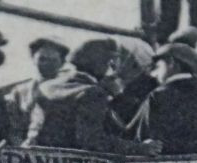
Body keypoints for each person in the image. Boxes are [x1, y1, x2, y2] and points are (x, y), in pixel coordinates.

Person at [25, 38, 163, 156]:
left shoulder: (47, 86)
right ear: (102, 63)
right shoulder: (92, 93)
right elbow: (92, 141)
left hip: (36, 158)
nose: (113, 67)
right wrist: (140, 148)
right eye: (111, 60)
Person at [129, 43, 197, 156]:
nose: (154, 74)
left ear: (172, 63)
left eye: (158, 67)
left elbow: (140, 139)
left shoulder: (158, 95)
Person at [2, 37, 68, 145]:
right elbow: (13, 127)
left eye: (53, 60)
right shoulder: (20, 91)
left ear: (62, 63)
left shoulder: (71, 89)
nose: (47, 64)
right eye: (42, 59)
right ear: (33, 58)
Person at [109, 37, 159, 129]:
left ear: (135, 63)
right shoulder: (115, 82)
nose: (111, 62)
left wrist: (118, 97)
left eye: (118, 57)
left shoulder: (150, 87)